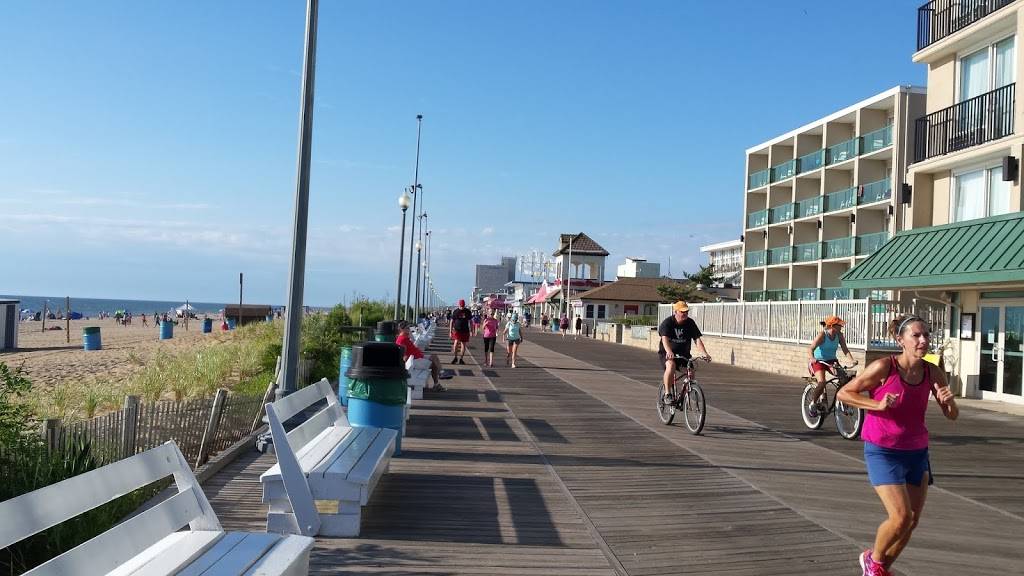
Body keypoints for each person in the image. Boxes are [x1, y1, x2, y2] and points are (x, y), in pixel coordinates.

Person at [837, 315, 958, 576]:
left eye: (926, 334)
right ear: (900, 340)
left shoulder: (932, 371)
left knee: (911, 522)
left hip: (917, 453)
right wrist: (876, 404)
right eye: (916, 335)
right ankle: (873, 560)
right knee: (901, 518)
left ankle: (880, 569)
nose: (923, 340)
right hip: (883, 451)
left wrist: (950, 402)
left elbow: (952, 415)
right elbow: (844, 393)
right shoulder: (884, 367)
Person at [657, 301, 711, 402]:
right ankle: (667, 393)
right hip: (668, 353)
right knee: (671, 366)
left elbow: (697, 340)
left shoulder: (690, 323)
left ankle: (687, 393)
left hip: (683, 354)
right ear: (676, 312)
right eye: (682, 312)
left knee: (691, 371)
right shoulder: (668, 323)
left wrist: (704, 353)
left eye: (686, 311)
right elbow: (664, 339)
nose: (685, 314)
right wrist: (669, 351)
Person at [806, 315, 854, 416]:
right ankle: (813, 404)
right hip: (818, 361)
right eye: (839, 325)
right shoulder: (822, 335)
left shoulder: (839, 335)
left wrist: (852, 360)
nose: (841, 327)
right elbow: (811, 348)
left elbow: (845, 349)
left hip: (831, 361)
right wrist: (812, 358)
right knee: (822, 382)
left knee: (844, 378)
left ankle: (843, 403)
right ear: (832, 326)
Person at [396, 322, 447, 391]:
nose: (409, 330)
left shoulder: (405, 337)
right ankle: (439, 377)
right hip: (414, 361)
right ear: (401, 329)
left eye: (409, 328)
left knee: (434, 357)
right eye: (407, 328)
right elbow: (403, 354)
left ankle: (439, 377)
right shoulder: (402, 340)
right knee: (434, 363)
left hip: (418, 358)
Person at [449, 299, 472, 364]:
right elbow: (452, 321)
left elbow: (470, 321)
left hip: (465, 330)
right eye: (461, 306)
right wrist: (450, 331)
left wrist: (471, 330)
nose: (462, 307)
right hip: (457, 330)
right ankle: (455, 357)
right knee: (455, 343)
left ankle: (461, 358)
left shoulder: (467, 311)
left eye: (463, 306)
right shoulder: (456, 311)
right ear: (459, 305)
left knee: (463, 345)